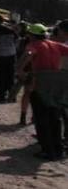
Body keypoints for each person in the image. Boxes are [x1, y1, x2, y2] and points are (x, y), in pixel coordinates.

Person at [17, 23, 68, 160]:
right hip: (57, 83)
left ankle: (47, 150)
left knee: (41, 117)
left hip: (40, 82)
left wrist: (20, 70)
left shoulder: (33, 45)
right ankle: (58, 149)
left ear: (32, 35)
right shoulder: (55, 44)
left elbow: (29, 54)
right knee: (55, 117)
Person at [0, 16, 18, 103]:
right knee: (10, 77)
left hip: (0, 56)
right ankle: (12, 97)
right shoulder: (11, 30)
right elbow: (16, 40)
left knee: (1, 77)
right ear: (3, 21)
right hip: (11, 55)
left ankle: (2, 97)